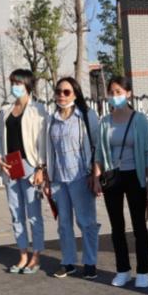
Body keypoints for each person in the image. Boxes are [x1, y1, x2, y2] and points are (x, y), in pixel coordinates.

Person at [94, 76, 148, 288]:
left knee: (139, 225)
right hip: (113, 177)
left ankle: (143, 271)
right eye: (111, 92)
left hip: (134, 176)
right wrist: (96, 178)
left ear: (128, 93)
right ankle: (123, 270)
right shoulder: (105, 122)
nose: (114, 96)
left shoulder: (139, 120)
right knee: (116, 226)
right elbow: (99, 153)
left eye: (118, 92)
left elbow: (147, 152)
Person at [44, 77, 100, 279]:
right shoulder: (51, 119)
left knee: (86, 222)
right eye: (58, 91)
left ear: (75, 94)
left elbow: (97, 146)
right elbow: (49, 150)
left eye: (66, 92)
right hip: (59, 179)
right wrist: (48, 178)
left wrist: (94, 174)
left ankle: (90, 262)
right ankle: (68, 262)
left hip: (80, 176)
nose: (62, 95)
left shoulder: (86, 116)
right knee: (63, 223)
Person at [0, 69, 48, 274]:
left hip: (30, 165)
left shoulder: (38, 110)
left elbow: (43, 141)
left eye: (18, 83)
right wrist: (0, 157)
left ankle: (36, 255)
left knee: (34, 214)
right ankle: (23, 254)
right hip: (11, 165)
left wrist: (41, 167)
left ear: (27, 85)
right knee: (16, 213)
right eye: (12, 83)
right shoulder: (6, 110)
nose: (14, 87)